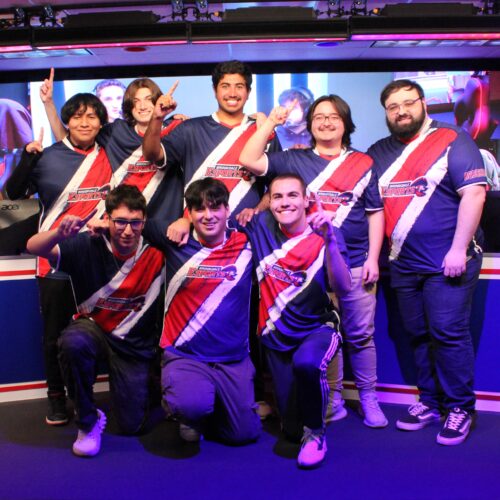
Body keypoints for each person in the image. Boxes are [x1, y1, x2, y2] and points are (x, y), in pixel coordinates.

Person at [239, 95, 387, 428]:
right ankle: (331, 400)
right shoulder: (294, 159)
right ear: (310, 124)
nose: (325, 122)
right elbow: (249, 158)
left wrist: (374, 258)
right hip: (306, 268)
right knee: (323, 337)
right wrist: (269, 123)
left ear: (346, 123)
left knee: (360, 335)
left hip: (355, 262)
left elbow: (375, 212)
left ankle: (368, 398)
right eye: (318, 117)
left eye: (333, 116)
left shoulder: (363, 162)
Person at [367, 79, 487, 446]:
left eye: (408, 103)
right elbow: (368, 206)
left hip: (448, 262)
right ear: (386, 112)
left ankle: (460, 408)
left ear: (422, 104)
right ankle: (431, 402)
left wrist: (457, 248)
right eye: (393, 106)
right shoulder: (378, 151)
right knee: (418, 335)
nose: (401, 111)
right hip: (403, 264)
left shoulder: (453, 139)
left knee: (448, 333)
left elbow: (474, 193)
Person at [26, 185, 165, 457]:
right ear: (108, 219)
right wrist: (58, 233)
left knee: (131, 426)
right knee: (71, 342)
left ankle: (140, 389)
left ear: (144, 222)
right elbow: (33, 246)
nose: (127, 230)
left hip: (133, 344)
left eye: (135, 223)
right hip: (95, 330)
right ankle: (87, 422)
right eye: (120, 222)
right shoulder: (87, 244)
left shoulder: (158, 250)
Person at [5, 93, 113, 426]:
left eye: (92, 116)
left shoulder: (112, 154)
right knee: (54, 335)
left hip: (98, 260)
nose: (85, 122)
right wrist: (27, 157)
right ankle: (56, 398)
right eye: (78, 116)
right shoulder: (47, 156)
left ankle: (90, 396)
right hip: (54, 260)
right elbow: (12, 194)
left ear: (101, 122)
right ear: (66, 121)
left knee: (99, 332)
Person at [241, 174, 352, 469]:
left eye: (292, 195)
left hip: (317, 328)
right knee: (290, 431)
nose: (285, 202)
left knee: (307, 363)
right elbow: (215, 225)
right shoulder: (260, 225)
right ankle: (306, 418)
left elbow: (343, 287)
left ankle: (317, 434)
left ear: (306, 200)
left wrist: (329, 239)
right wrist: (187, 221)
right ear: (269, 202)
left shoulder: (326, 231)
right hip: (276, 335)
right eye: (277, 197)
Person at [143, 178, 260, 445]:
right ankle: (190, 411)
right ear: (190, 212)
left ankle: (214, 404)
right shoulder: (175, 239)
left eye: (215, 207)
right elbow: (135, 221)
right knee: (191, 406)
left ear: (227, 210)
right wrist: (102, 226)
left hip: (232, 357)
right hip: (186, 354)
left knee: (245, 434)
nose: (208, 216)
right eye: (199, 209)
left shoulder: (246, 241)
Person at [142, 59, 281, 229]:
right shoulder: (190, 129)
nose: (232, 93)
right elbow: (152, 155)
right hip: (196, 237)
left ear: (248, 91)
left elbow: (279, 184)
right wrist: (157, 118)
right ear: (215, 91)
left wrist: (257, 210)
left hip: (247, 236)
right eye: (225, 86)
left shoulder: (263, 132)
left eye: (239, 86)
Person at [41, 69, 185, 220]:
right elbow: (70, 140)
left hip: (166, 222)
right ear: (129, 105)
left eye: (149, 99)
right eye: (136, 101)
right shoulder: (116, 132)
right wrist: (48, 104)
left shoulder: (177, 129)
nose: (142, 106)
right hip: (125, 222)